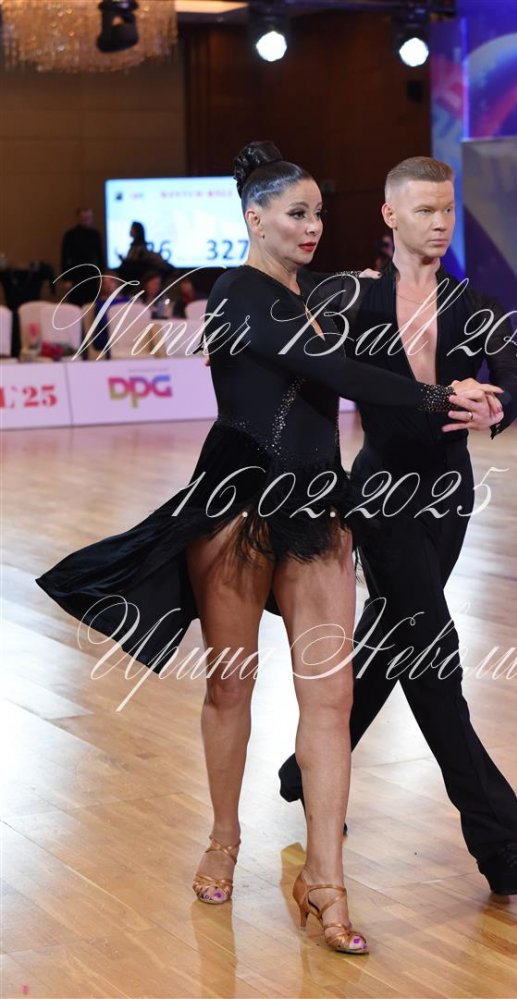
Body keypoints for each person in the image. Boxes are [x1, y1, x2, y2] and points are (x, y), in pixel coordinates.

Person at [35, 142, 490, 954]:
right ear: (255, 218)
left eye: (318, 213)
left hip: (318, 506)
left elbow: (398, 341)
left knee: (332, 699)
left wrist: (469, 384)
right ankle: (223, 836)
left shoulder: (329, 294)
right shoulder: (236, 293)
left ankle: (327, 880)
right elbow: (330, 368)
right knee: (231, 686)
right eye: (296, 213)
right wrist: (432, 396)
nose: (313, 226)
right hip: (238, 506)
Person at [279, 156, 517, 897]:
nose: (440, 222)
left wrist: (498, 403)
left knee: (393, 637)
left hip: (449, 495)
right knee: (433, 652)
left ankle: (305, 769)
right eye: (425, 210)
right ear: (390, 215)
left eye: (448, 209)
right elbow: (307, 377)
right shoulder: (353, 300)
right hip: (382, 494)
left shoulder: (473, 302)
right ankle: (498, 841)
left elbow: (515, 372)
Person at [60, 207, 105, 307]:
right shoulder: (70, 235)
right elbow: (64, 258)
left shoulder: (95, 234)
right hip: (75, 275)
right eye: (84, 218)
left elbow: (100, 256)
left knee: (92, 305)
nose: (87, 220)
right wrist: (66, 279)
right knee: (75, 305)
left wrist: (102, 276)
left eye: (89, 218)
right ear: (78, 218)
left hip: (92, 275)